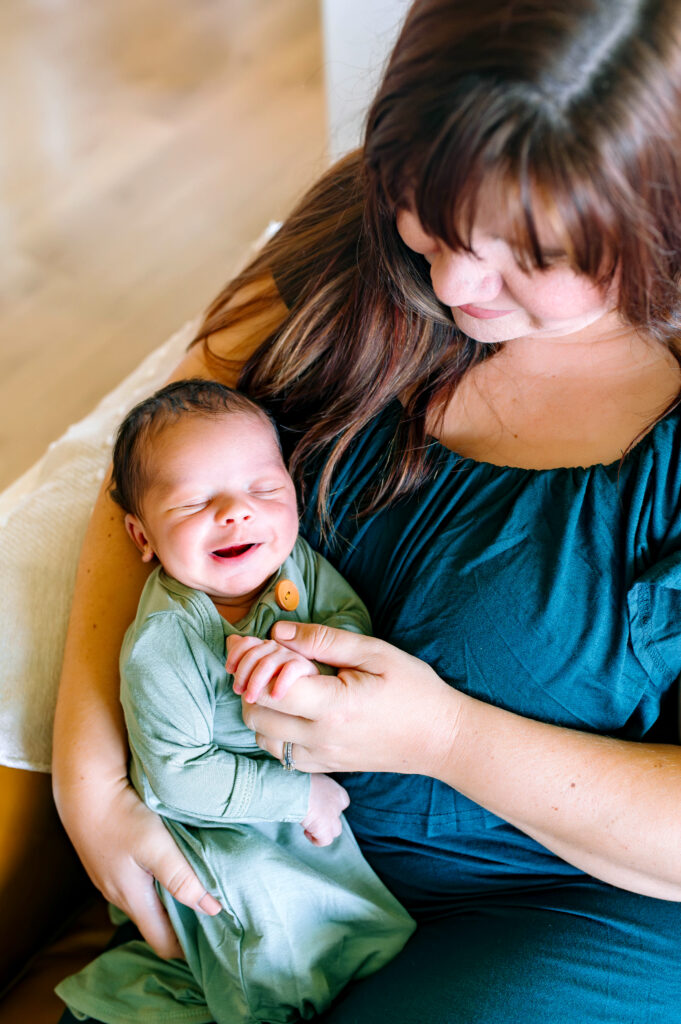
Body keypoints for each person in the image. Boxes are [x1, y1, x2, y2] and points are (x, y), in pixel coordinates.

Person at [53, 0, 681, 1019]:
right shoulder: (348, 250)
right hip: (278, 878)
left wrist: (443, 739)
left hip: (552, 909)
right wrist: (89, 782)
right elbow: (150, 462)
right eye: (431, 216)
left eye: (528, 252)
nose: (457, 281)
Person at [55, 379, 414, 1024]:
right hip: (211, 829)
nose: (236, 512)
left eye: (264, 491)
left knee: (347, 926)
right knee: (263, 927)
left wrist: (317, 655)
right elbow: (176, 779)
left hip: (290, 817)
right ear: (142, 537)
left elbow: (346, 618)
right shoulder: (165, 643)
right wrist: (300, 796)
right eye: (195, 502)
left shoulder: (292, 566)